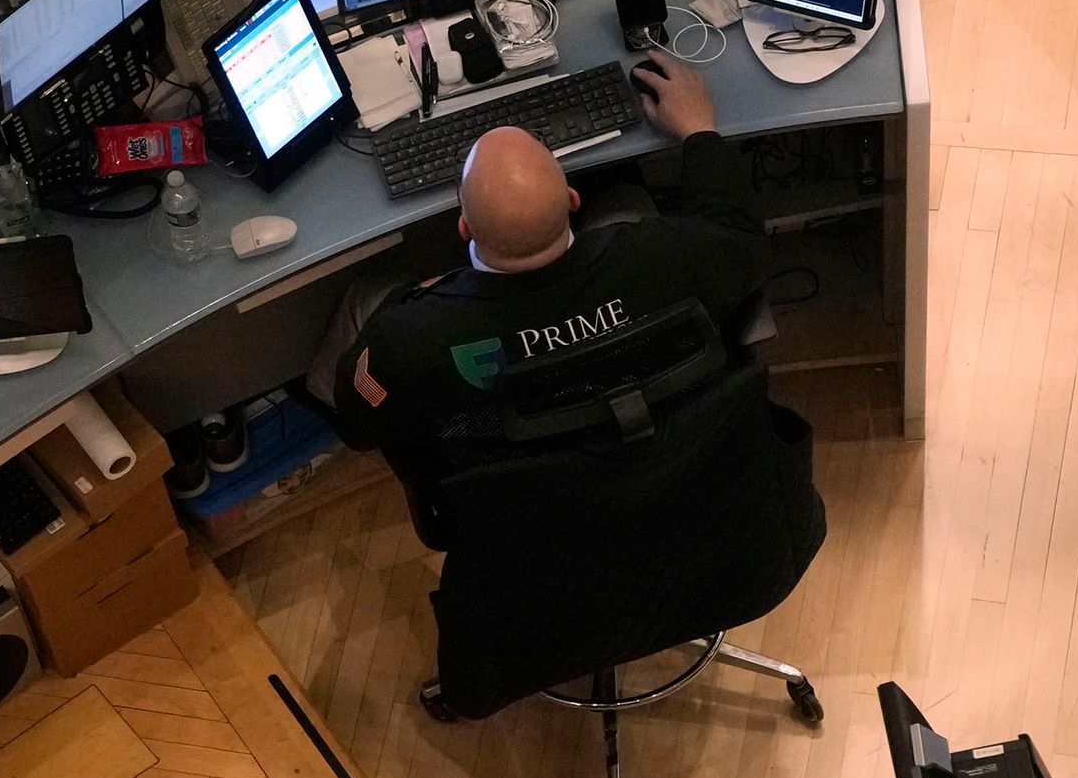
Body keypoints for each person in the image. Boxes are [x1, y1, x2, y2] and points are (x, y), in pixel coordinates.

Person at [329, 48, 768, 509]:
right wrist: (700, 132)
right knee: (625, 198)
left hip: (535, 521)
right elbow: (740, 237)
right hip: (675, 479)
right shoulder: (666, 260)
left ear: (463, 229)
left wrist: (415, 298)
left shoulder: (406, 338)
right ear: (574, 200)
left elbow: (358, 422)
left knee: (365, 293)